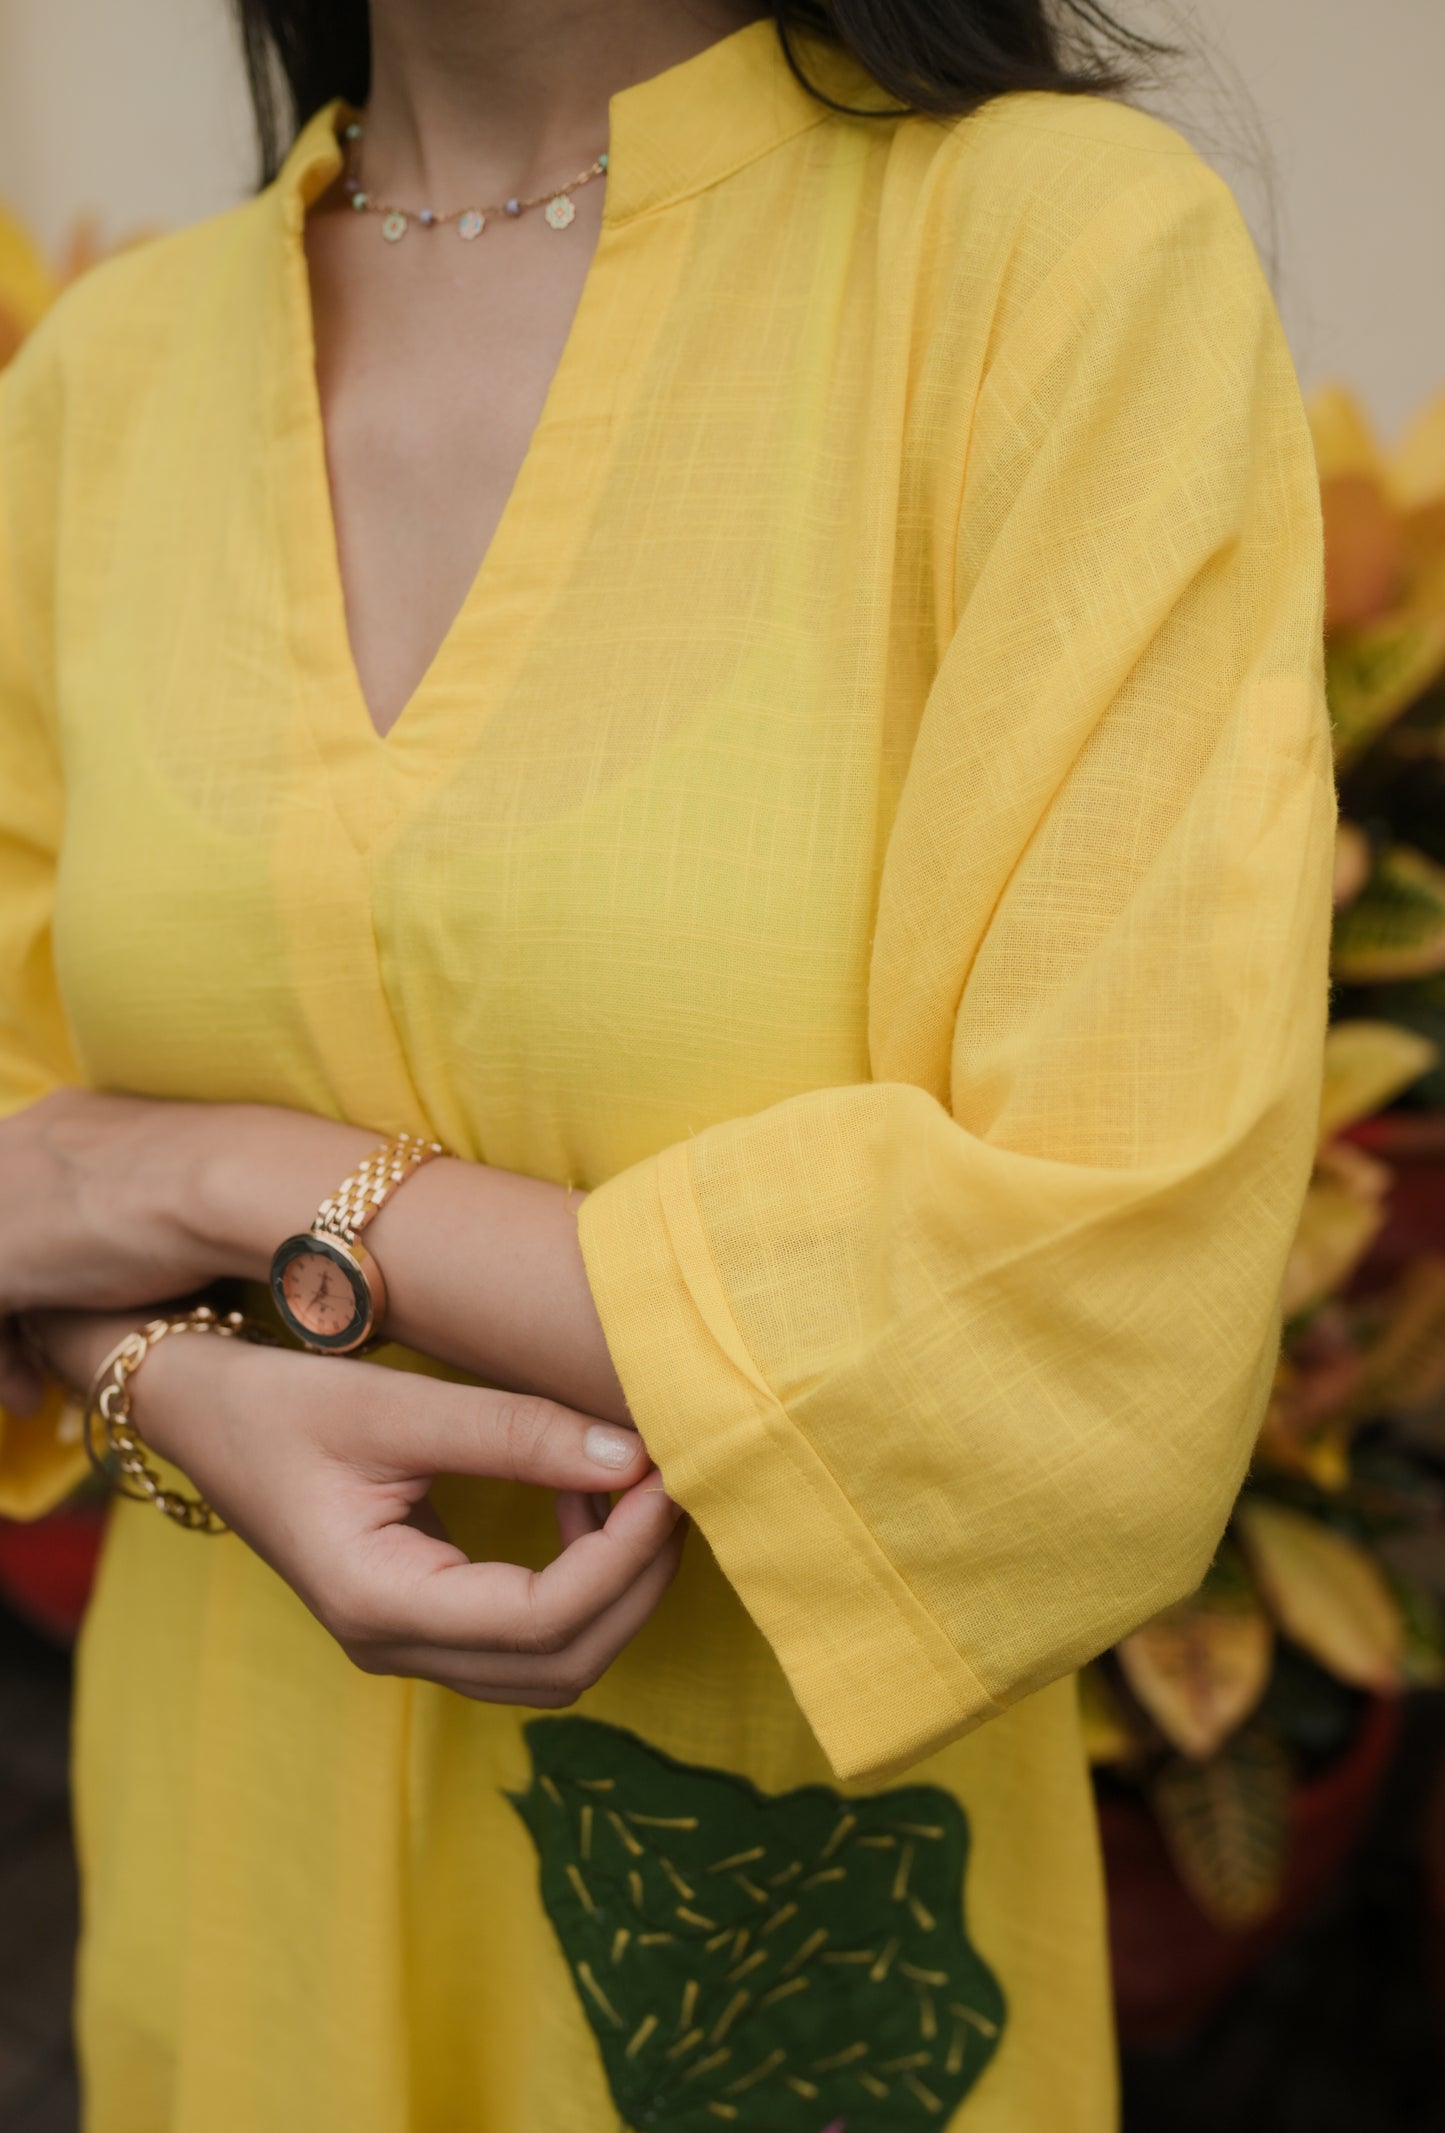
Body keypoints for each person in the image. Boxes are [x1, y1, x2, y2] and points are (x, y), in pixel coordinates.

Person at [0, 0, 1334, 2125]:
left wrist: (218, 1179)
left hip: (771, 1965)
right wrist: (155, 1375)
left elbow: (1104, 1317)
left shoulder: (1048, 269)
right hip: (227, 1920)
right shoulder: (102, 388)